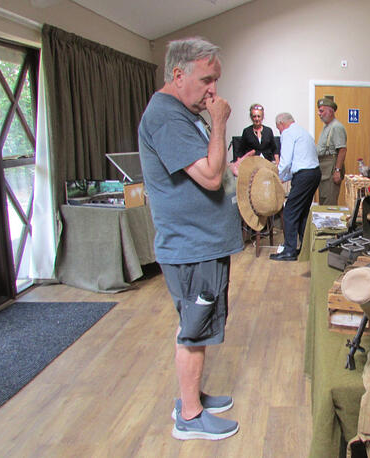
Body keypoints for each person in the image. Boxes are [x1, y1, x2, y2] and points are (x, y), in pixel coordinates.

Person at [138, 37, 241, 441]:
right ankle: (190, 417)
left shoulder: (180, 112)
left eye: (216, 80)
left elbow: (210, 167)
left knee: (199, 325)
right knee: (194, 329)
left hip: (201, 243)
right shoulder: (166, 116)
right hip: (191, 246)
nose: (213, 90)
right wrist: (220, 122)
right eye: (207, 80)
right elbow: (211, 177)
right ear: (178, 74)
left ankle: (191, 396)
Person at [270, 113, 321, 261]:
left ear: (281, 124)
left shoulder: (287, 133)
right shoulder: (303, 132)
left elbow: (285, 162)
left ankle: (289, 250)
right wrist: (283, 177)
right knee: (303, 212)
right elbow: (298, 163)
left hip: (304, 176)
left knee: (290, 212)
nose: (279, 131)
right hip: (314, 174)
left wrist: (276, 177)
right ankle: (305, 249)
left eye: (278, 128)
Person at [316, 98, 347, 205]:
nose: (319, 114)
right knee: (324, 201)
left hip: (331, 170)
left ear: (330, 111)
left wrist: (337, 170)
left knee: (329, 204)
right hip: (324, 170)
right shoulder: (327, 127)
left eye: (321, 111)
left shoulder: (336, 127)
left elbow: (342, 150)